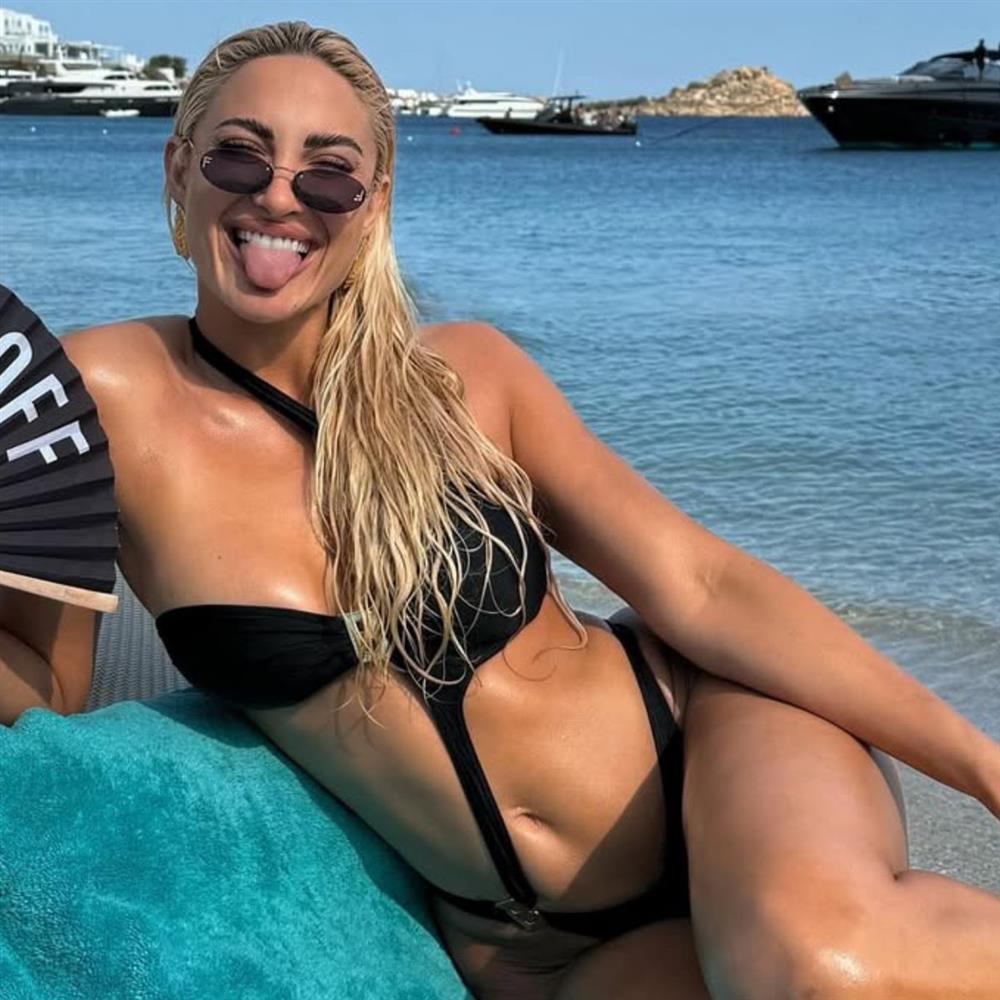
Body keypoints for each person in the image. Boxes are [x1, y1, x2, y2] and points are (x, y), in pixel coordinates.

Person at [2, 20, 999, 1000]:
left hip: (713, 742)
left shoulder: (467, 376)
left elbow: (701, 583)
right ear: (180, 167)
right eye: (240, 155)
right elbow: (49, 686)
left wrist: (982, 768)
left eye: (329, 172)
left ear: (374, 203)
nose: (279, 195)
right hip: (538, 950)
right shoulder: (97, 397)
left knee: (816, 967)